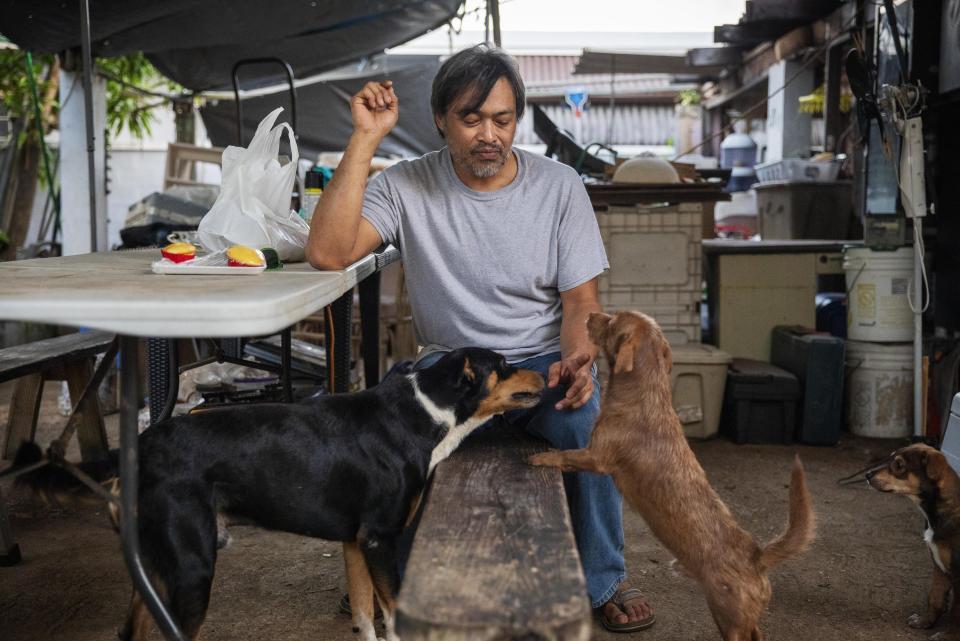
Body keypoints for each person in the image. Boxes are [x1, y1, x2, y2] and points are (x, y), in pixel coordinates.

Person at [306, 44, 655, 633]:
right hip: (451, 367)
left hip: (539, 363)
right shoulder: (407, 184)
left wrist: (577, 358)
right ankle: (388, 570)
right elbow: (327, 252)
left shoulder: (559, 187)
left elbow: (580, 304)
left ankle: (603, 579)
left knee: (591, 422)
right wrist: (365, 139)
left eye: (502, 119)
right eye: (471, 119)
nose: (488, 134)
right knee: (390, 433)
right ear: (441, 118)